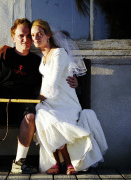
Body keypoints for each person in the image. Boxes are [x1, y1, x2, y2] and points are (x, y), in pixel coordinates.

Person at [0, 18, 78, 176]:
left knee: (31, 116)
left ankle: (19, 163)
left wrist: (73, 79)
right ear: (13, 38)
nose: (26, 39)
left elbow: (53, 77)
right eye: (21, 36)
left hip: (23, 106)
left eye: (28, 36)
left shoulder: (36, 62)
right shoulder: (0, 56)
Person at [30, 19, 108, 175]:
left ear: (48, 35)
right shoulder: (42, 57)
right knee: (41, 115)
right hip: (50, 103)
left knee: (49, 118)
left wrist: (37, 98)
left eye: (39, 34)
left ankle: (67, 162)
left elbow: (52, 83)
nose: (36, 38)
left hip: (66, 104)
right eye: (33, 35)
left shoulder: (59, 53)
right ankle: (57, 162)